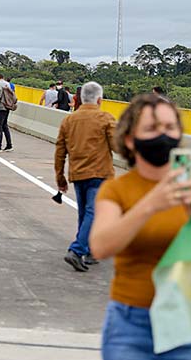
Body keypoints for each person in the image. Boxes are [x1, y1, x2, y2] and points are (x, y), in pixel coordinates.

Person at [90, 93, 191, 360]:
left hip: (189, 320)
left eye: (170, 128)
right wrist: (151, 204)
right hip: (130, 323)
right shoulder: (116, 190)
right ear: (129, 139)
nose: (163, 136)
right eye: (152, 129)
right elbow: (101, 246)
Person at [54, 81, 116, 272]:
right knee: (94, 212)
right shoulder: (105, 118)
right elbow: (117, 146)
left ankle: (88, 251)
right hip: (100, 173)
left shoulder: (69, 120)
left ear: (80, 99)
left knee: (85, 213)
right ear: (100, 99)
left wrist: (60, 177)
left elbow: (60, 150)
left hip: (77, 173)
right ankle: (77, 249)